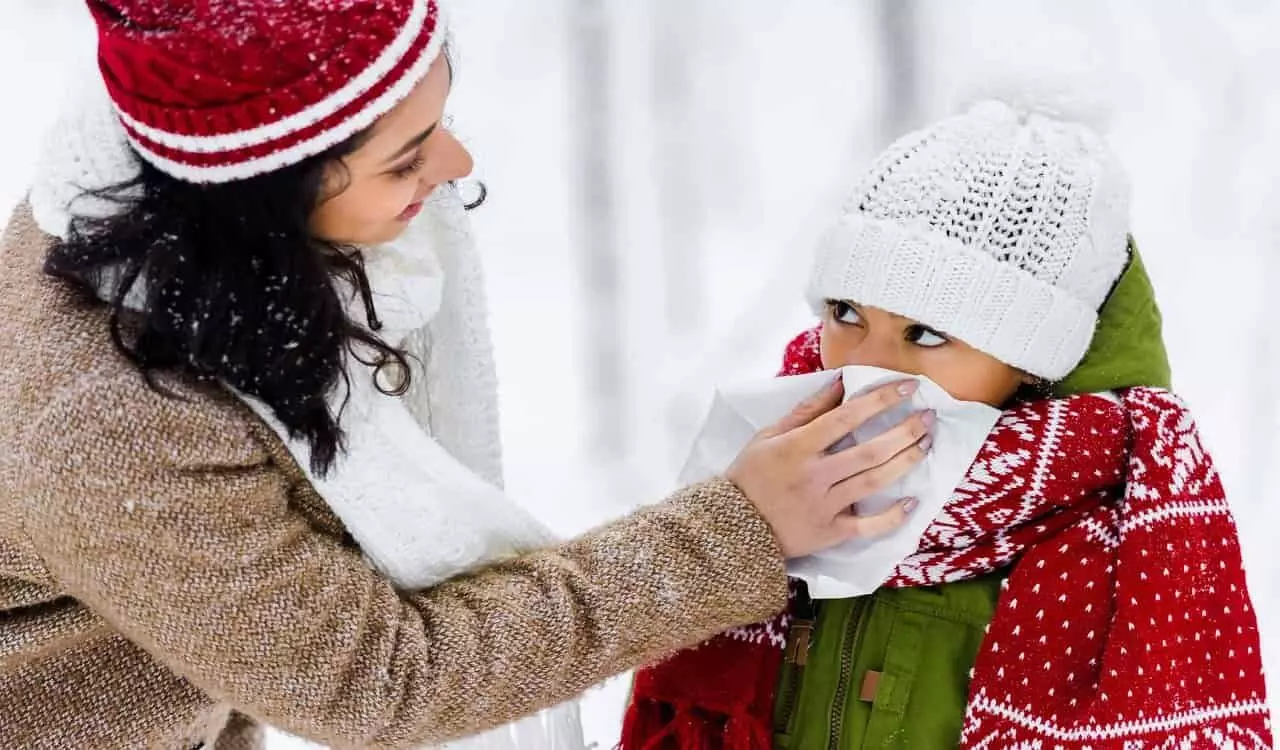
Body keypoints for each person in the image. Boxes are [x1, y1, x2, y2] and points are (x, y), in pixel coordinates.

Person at [0, 1, 935, 748]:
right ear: (261, 199)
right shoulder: (119, 420)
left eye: (439, 119)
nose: (457, 165)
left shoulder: (147, 184)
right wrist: (736, 531)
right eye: (406, 157)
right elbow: (378, 679)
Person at [621, 98, 1273, 748]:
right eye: (846, 313)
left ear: (1031, 361)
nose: (865, 367)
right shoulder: (771, 474)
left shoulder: (1125, 546)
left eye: (925, 334)